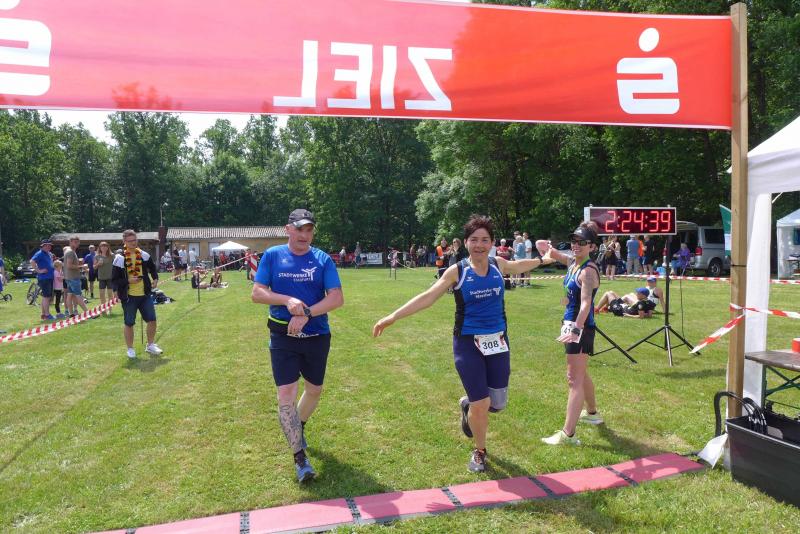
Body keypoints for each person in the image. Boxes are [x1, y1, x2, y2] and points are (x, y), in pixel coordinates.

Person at [373, 215, 551, 473]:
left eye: (485, 240)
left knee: (497, 403)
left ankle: (468, 404)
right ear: (466, 242)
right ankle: (480, 451)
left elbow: (518, 265)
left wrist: (544, 259)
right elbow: (427, 297)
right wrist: (392, 317)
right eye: (474, 240)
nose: (479, 245)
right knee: (482, 403)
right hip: (468, 343)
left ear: (492, 243)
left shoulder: (497, 264)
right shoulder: (457, 271)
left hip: (498, 341)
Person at [251, 209, 344, 483]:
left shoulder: (322, 259)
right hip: (282, 336)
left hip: (316, 335)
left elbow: (336, 298)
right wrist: (286, 300)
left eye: (309, 230)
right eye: (300, 229)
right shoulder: (273, 255)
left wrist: (307, 314)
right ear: (288, 229)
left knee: (314, 390)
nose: (305, 235)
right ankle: (300, 458)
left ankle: (298, 427)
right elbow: (257, 293)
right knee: (286, 394)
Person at [538, 221, 603, 446]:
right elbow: (542, 246)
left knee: (573, 379)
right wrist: (549, 247)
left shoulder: (587, 271)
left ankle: (568, 434)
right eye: (574, 241)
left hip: (580, 328)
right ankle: (592, 414)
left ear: (592, 247)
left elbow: (586, 304)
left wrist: (576, 329)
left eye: (581, 242)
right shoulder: (573, 263)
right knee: (581, 374)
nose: (576, 245)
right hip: (572, 325)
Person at [112, 229, 163, 359]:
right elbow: (115, 280)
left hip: (145, 294)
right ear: (124, 242)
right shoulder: (120, 258)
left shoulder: (144, 255)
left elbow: (153, 268)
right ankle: (130, 349)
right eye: (130, 241)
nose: (133, 243)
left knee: (152, 320)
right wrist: (128, 281)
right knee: (129, 323)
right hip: (129, 296)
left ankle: (150, 345)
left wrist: (155, 278)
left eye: (134, 240)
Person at [63, 236, 88, 318]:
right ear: (70, 242)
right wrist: (82, 266)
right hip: (73, 278)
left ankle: (71, 314)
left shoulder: (70, 251)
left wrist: (78, 263)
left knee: (69, 295)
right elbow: (69, 265)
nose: (77, 243)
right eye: (75, 242)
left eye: (78, 242)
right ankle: (88, 313)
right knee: (78, 295)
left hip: (69, 277)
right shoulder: (70, 252)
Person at [30, 239, 55, 320]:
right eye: (47, 245)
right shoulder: (40, 253)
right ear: (43, 246)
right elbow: (32, 261)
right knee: (46, 297)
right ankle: (47, 315)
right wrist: (39, 271)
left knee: (45, 296)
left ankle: (43, 314)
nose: (49, 247)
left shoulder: (47, 253)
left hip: (48, 277)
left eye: (50, 245)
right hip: (45, 278)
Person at [94, 241, 114, 316]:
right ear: (100, 248)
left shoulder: (112, 255)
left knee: (110, 294)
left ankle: (110, 310)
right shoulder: (97, 256)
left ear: (108, 247)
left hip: (110, 277)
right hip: (101, 278)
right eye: (102, 246)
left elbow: (116, 265)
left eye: (105, 246)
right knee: (102, 295)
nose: (104, 247)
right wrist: (98, 264)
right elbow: (94, 267)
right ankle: (103, 310)